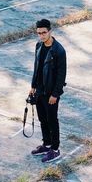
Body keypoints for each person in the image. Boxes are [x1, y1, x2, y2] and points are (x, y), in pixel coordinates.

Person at [29, 19, 67, 163]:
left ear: (50, 31)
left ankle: (55, 149)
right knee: (43, 119)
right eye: (39, 33)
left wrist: (55, 94)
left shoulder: (59, 50)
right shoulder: (38, 45)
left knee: (52, 120)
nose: (41, 36)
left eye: (44, 32)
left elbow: (61, 75)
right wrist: (33, 86)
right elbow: (36, 67)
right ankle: (47, 144)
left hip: (51, 93)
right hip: (39, 91)